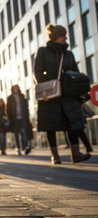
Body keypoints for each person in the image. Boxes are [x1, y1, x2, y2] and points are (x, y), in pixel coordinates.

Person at [34, 24, 91, 164]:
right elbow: (38, 72)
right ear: (55, 37)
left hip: (68, 94)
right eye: (63, 35)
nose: (66, 37)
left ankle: (75, 154)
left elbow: (75, 73)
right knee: (50, 125)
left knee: (73, 123)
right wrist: (46, 89)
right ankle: (55, 155)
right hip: (51, 94)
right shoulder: (43, 51)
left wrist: (79, 92)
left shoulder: (68, 54)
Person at [7, 85, 31, 156]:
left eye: (16, 88)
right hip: (14, 119)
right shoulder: (10, 98)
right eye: (14, 88)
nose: (15, 89)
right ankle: (18, 148)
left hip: (22, 118)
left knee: (23, 132)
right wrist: (10, 119)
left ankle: (25, 146)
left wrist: (27, 117)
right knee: (16, 135)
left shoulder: (22, 97)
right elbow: (8, 110)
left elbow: (26, 108)